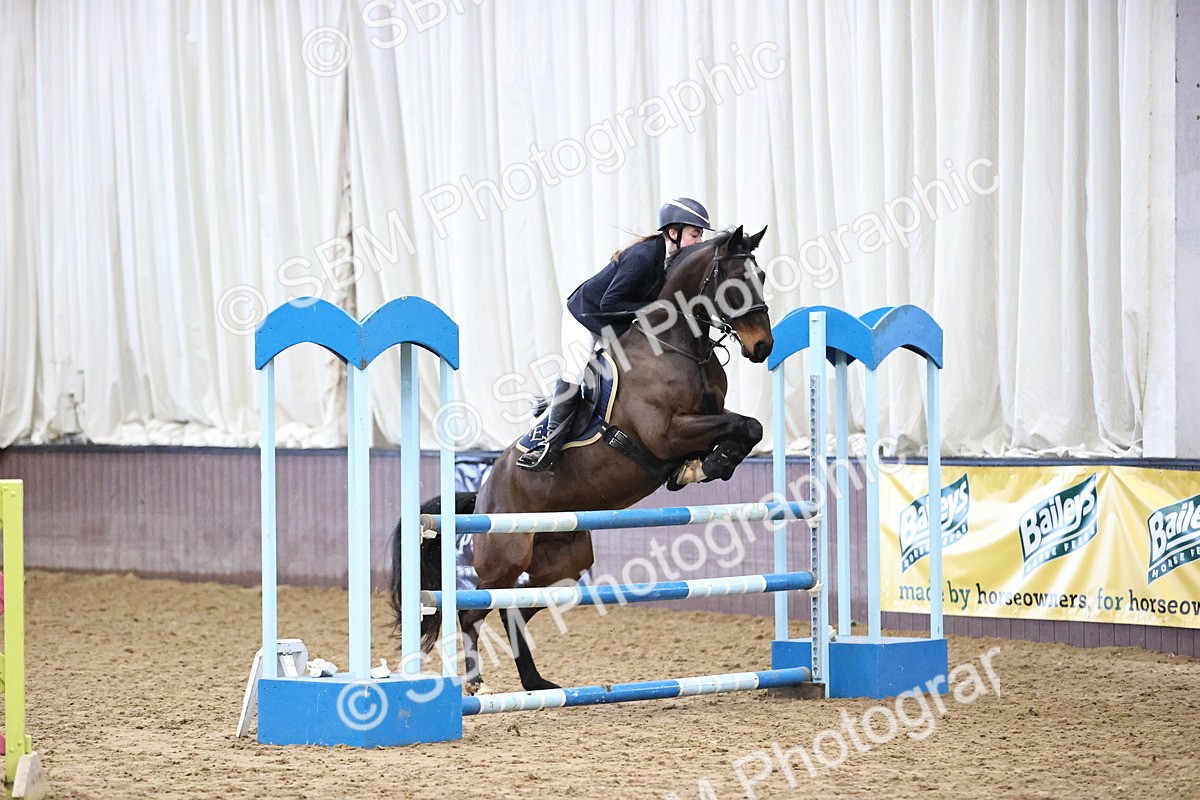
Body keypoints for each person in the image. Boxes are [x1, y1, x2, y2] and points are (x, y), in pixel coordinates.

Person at [517, 197, 713, 472]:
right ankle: (548, 445)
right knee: (576, 373)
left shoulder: (668, 261)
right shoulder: (643, 256)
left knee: (630, 369)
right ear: (673, 232)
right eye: (695, 234)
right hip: (585, 316)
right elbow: (609, 303)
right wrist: (652, 308)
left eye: (701, 235)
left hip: (614, 321)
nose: (700, 241)